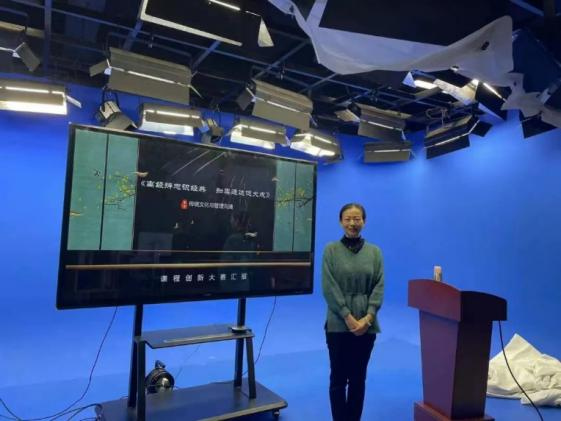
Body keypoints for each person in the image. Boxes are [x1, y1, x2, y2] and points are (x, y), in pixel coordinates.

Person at [322, 203, 384, 421]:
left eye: (357, 219)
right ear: (341, 222)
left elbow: (378, 286)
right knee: (338, 379)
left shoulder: (375, 252)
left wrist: (368, 317)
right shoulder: (331, 250)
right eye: (347, 219)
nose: (352, 223)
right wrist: (347, 316)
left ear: (364, 222)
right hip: (338, 324)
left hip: (367, 326)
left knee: (358, 379)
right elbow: (329, 287)